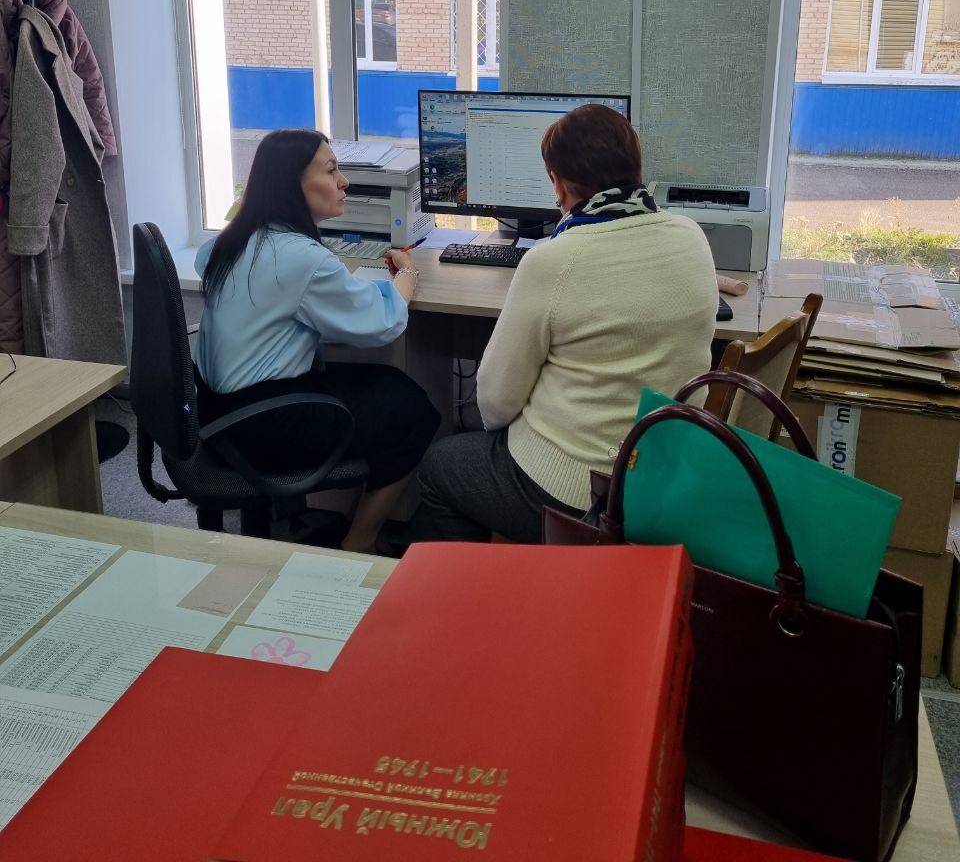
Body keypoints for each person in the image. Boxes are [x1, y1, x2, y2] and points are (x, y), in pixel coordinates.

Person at [407, 103, 719, 544]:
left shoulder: (554, 260)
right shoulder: (691, 236)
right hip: (665, 478)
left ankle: (473, 583)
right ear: (636, 167)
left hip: (582, 493)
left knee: (441, 466)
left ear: (557, 181)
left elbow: (494, 404)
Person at [194, 128, 439, 553]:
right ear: (292, 185)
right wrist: (407, 273)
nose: (344, 182)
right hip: (263, 424)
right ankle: (358, 543)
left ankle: (342, 523)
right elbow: (381, 322)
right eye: (331, 171)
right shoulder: (301, 258)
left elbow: (259, 288)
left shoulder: (226, 243)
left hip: (216, 413)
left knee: (387, 385)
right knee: (415, 411)